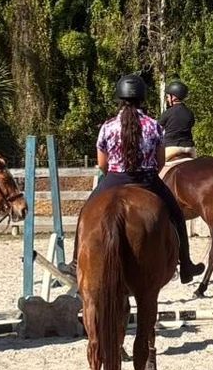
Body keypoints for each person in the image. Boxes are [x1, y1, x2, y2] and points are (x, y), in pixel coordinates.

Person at [80, 73, 202, 284]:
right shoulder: (154, 126)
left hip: (115, 178)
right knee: (177, 216)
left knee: (86, 212)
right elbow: (161, 161)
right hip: (147, 180)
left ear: (119, 98)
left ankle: (75, 263)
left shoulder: (108, 126)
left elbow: (102, 163)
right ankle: (186, 265)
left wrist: (114, 172)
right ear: (142, 98)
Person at [160, 80, 196, 163]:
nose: (168, 99)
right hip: (190, 149)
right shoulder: (190, 113)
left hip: (171, 149)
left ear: (174, 97)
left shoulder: (168, 113)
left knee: (155, 169)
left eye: (168, 97)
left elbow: (158, 130)